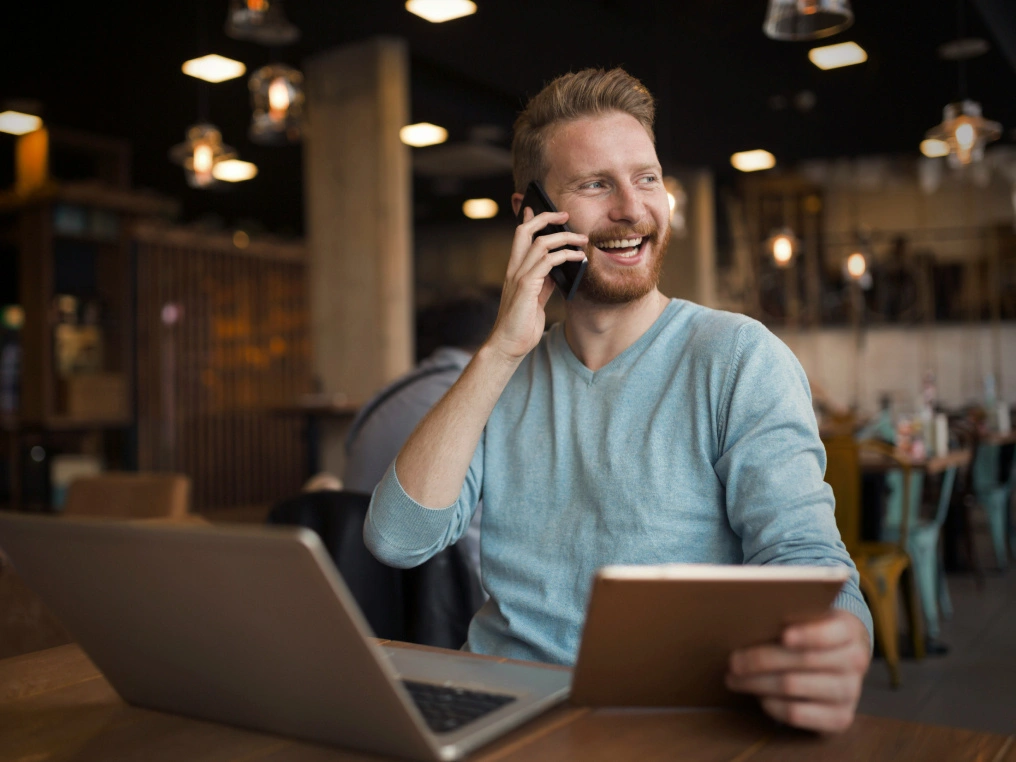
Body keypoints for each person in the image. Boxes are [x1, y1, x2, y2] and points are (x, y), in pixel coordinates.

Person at [365, 68, 873, 733]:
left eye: (647, 178)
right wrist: (499, 351)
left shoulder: (738, 357)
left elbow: (810, 563)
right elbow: (397, 540)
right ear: (532, 215)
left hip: (664, 720)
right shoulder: (502, 372)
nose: (633, 210)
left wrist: (842, 641)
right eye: (595, 184)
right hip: (503, 715)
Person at [345, 292, 500, 578]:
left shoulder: (388, 393)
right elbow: (483, 541)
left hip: (357, 579)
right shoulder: (477, 399)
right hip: (433, 592)